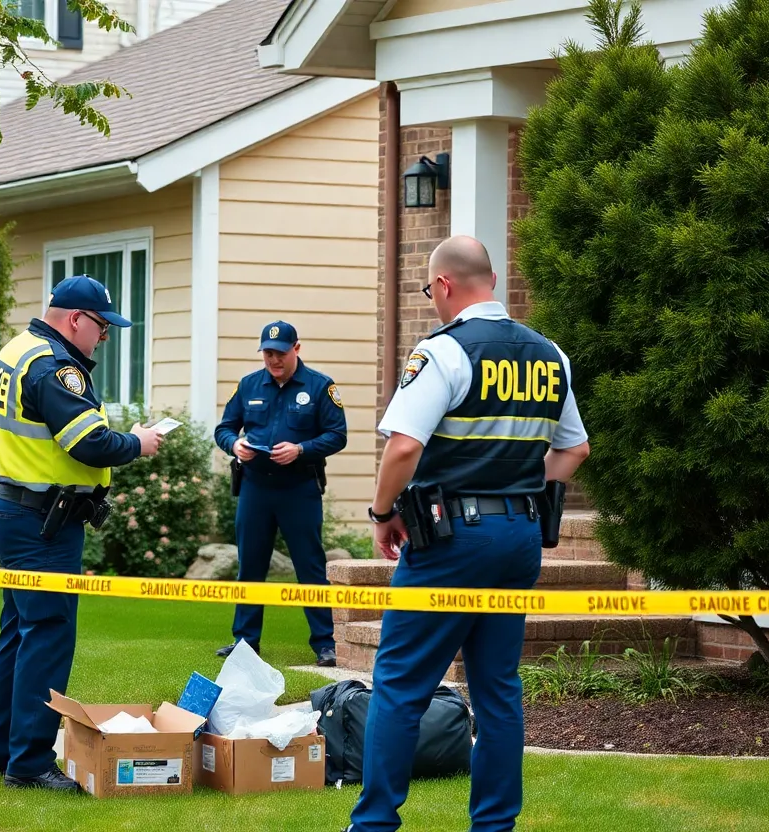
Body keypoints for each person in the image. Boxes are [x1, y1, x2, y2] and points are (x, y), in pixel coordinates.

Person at [345, 236, 590, 832]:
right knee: (497, 689)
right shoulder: (549, 354)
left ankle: (374, 824)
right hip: (519, 535)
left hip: (452, 538)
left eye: (430, 290)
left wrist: (382, 513)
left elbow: (404, 446)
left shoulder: (444, 351)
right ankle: (495, 826)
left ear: (444, 285)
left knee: (400, 684)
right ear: (494, 282)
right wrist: (516, 487)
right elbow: (575, 449)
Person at [0, 275, 163, 791]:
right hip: (41, 522)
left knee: (19, 633)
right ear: (76, 319)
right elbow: (89, 443)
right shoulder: (56, 366)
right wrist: (137, 443)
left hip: (10, 507)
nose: (104, 337)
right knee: (47, 636)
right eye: (102, 327)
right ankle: (29, 765)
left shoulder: (17, 349)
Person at [213, 321, 348, 667]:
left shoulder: (320, 386)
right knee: (250, 564)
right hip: (255, 487)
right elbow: (224, 428)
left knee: (310, 566)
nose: (274, 360)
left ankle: (325, 643)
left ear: (296, 349)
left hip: (299, 488)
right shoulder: (248, 385)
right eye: (268, 353)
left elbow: (337, 435)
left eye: (280, 353)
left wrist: (301, 449)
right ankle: (245, 642)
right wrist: (235, 445)